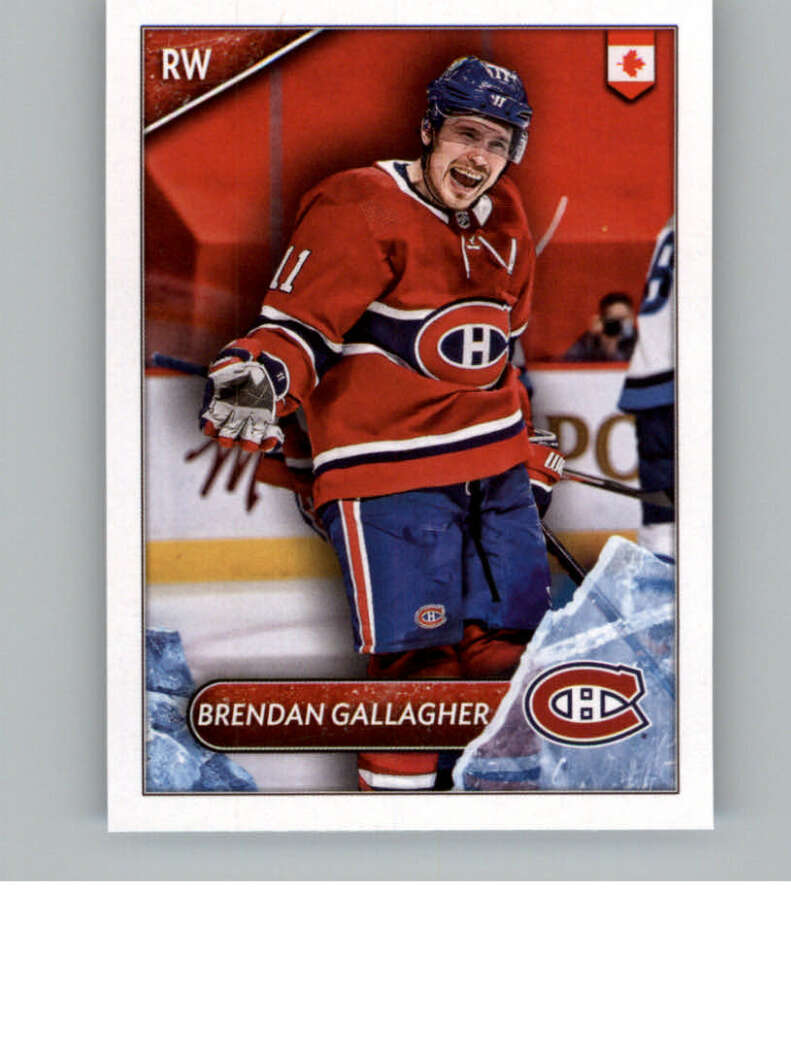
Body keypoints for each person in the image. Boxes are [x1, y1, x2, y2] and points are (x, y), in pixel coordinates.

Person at [201, 56, 564, 790]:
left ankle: (502, 820)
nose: (480, 158)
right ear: (429, 129)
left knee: (511, 660)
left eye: (498, 143)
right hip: (390, 476)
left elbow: (501, 351)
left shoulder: (508, 216)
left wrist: (523, 443)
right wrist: (259, 376)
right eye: (466, 134)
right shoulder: (362, 204)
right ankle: (395, 830)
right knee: (418, 676)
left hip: (494, 474)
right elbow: (297, 327)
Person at [618, 218, 675, 559]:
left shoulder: (670, 228)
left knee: (662, 514)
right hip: (678, 375)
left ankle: (657, 576)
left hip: (651, 372)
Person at [562, 291, 637, 361]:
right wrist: (594, 338)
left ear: (632, 317)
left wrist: (611, 351)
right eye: (615, 319)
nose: (620, 324)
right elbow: (568, 361)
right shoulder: (592, 338)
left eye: (624, 318)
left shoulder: (639, 339)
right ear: (603, 320)